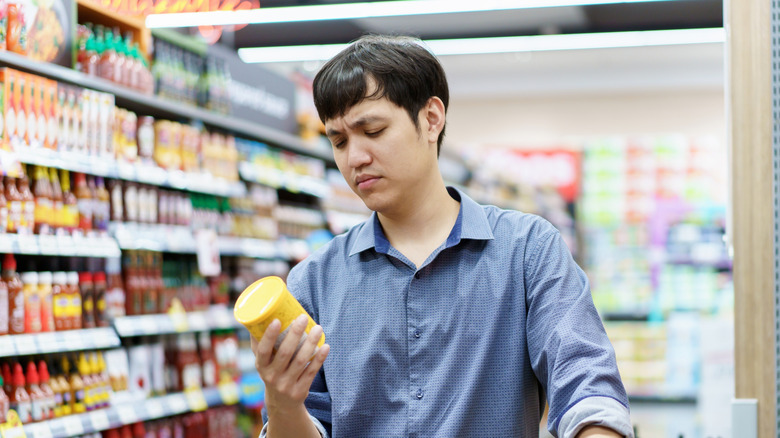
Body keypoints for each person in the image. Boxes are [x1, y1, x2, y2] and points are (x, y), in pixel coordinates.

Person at [251, 34, 633, 438]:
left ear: (431, 118)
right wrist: (283, 401)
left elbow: (587, 386)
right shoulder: (314, 280)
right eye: (339, 141)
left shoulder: (528, 250)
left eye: (374, 130)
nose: (354, 158)